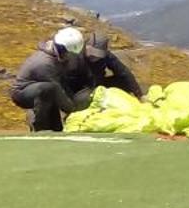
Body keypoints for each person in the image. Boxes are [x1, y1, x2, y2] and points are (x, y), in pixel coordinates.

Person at [9, 26, 143, 132]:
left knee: (120, 81)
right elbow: (58, 86)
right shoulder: (46, 63)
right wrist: (73, 110)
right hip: (43, 91)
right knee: (49, 92)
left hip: (87, 87)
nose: (94, 58)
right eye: (91, 54)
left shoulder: (68, 55)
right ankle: (39, 127)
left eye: (98, 56)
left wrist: (140, 95)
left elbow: (123, 72)